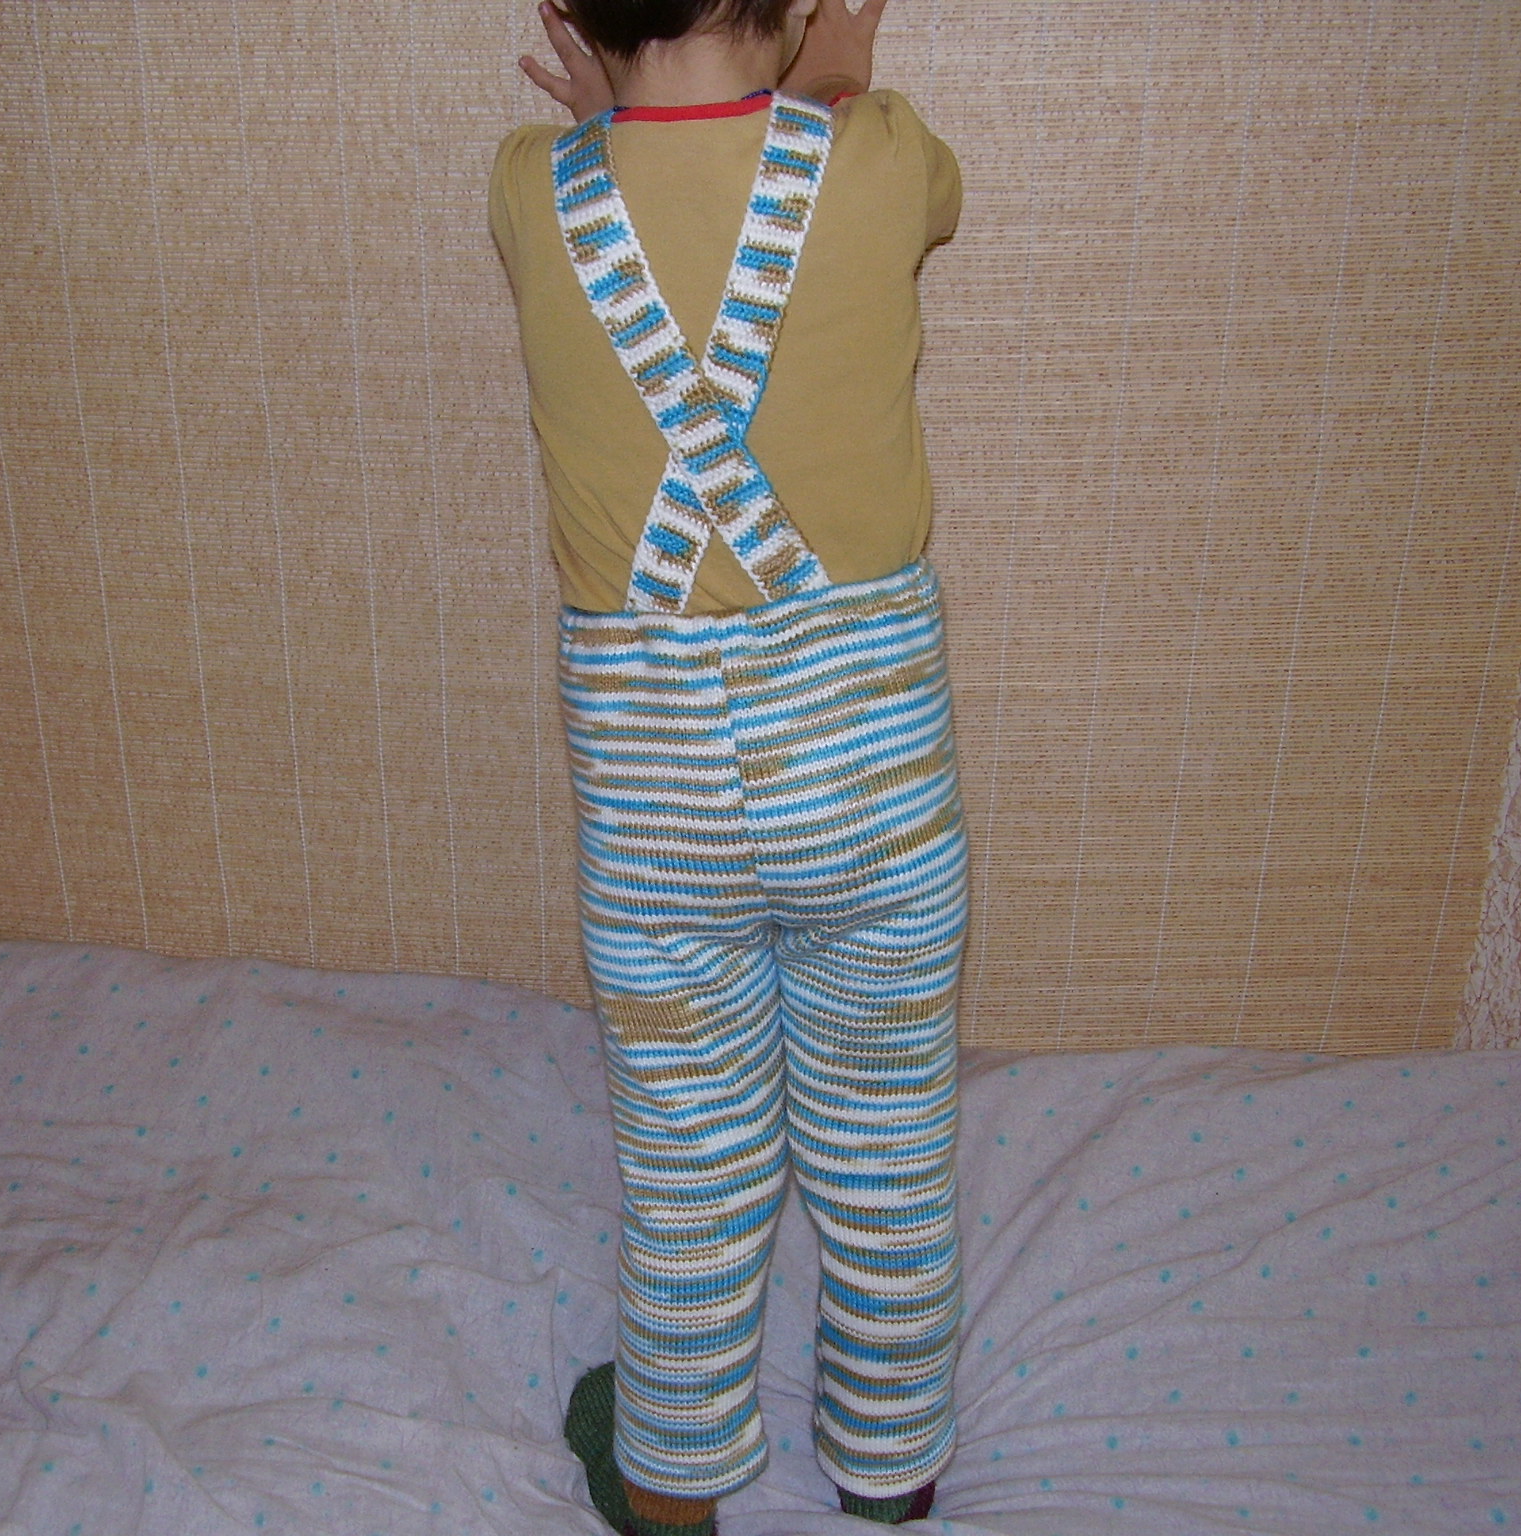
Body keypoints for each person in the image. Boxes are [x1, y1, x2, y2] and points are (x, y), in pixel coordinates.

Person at [490, 3, 966, 1530]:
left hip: (658, 806)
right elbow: (851, 153)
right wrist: (834, 67)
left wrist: (611, 115)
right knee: (887, 1136)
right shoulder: (878, 160)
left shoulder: (531, 190)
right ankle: (890, 1467)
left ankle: (673, 1485)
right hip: (871, 785)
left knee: (689, 1157)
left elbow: (644, 175)